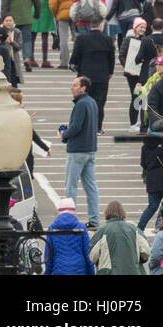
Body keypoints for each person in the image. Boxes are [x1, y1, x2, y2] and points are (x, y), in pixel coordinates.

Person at [61, 76, 101, 229]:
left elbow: (76, 127)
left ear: (83, 88)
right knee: (91, 187)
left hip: (77, 150)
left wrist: (64, 134)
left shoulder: (81, 104)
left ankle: (69, 219)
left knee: (71, 186)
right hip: (90, 149)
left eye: (75, 85)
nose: (72, 87)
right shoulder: (92, 102)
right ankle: (94, 220)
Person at [88, 201, 150, 275]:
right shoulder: (135, 230)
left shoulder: (102, 231)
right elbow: (146, 252)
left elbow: (92, 256)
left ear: (107, 213)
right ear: (123, 213)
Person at [44, 198, 95, 275]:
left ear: (60, 212)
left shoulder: (52, 229)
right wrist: (91, 272)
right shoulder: (81, 227)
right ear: (74, 211)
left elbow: (48, 257)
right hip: (79, 270)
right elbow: (88, 255)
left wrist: (47, 273)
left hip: (59, 270)